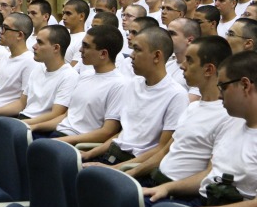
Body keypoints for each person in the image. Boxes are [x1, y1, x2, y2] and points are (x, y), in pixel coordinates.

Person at [143, 51, 257, 207]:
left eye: (223, 87)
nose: (219, 95)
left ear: (245, 85)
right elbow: (209, 176)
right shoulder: (232, 124)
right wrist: (167, 188)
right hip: (202, 203)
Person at [126, 36, 233, 186]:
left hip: (176, 193)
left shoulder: (227, 116)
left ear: (208, 69)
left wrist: (166, 189)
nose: (182, 66)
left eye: (189, 60)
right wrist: (126, 172)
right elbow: (164, 152)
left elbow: (209, 174)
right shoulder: (193, 106)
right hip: (154, 180)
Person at [81, 27, 188, 166]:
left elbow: (161, 149)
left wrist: (115, 168)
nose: (131, 55)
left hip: (135, 164)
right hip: (113, 154)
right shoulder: (133, 84)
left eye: (137, 50)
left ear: (156, 56)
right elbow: (123, 135)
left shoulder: (176, 95)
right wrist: (89, 154)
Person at [0, 25, 78, 131]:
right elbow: (21, 103)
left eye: (40, 43)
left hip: (40, 127)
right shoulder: (38, 68)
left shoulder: (69, 76)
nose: (34, 46)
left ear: (56, 48)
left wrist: (21, 124)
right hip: (24, 118)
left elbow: (55, 114)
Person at [51, 25, 128, 144]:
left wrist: (61, 140)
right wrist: (33, 126)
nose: (81, 50)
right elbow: (67, 117)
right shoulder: (85, 75)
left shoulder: (119, 84)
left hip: (78, 142)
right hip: (59, 134)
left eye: (86, 46)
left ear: (103, 54)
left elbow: (107, 132)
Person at [0, 13, 39, 109]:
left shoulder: (30, 62)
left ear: (20, 35)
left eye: (5, 28)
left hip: (3, 113)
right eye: (1, 27)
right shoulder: (6, 56)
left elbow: (22, 103)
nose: (0, 32)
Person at [62, 0, 88, 67]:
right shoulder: (63, 35)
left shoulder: (84, 39)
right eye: (63, 13)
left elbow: (74, 67)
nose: (63, 17)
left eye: (68, 13)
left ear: (81, 16)